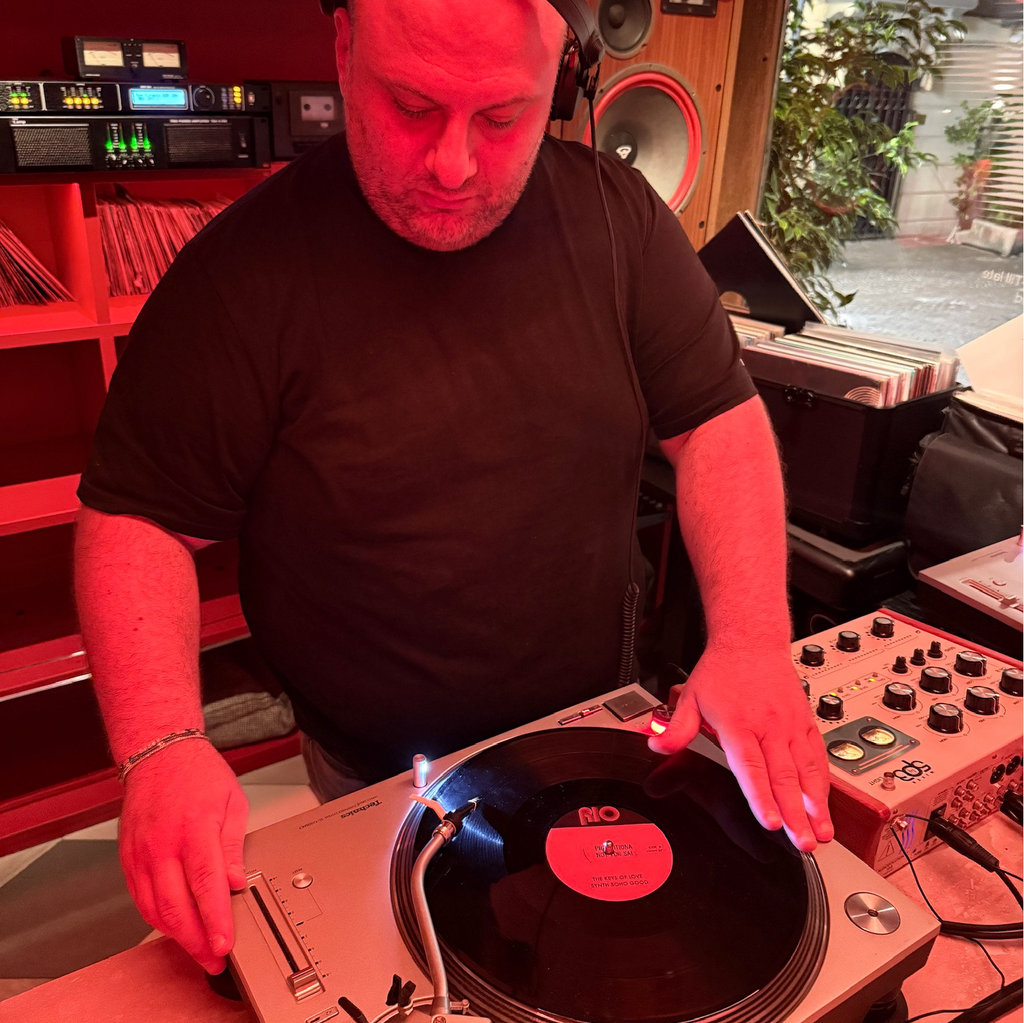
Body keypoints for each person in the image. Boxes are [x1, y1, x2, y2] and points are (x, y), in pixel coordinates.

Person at [73, 0, 833, 979]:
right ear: (344, 49)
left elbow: (717, 423)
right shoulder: (240, 274)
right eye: (411, 106)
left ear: (562, 77)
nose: (452, 165)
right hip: (369, 765)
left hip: (594, 731)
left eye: (502, 117)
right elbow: (137, 519)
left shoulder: (622, 224)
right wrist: (163, 747)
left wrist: (752, 639)